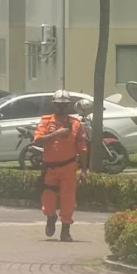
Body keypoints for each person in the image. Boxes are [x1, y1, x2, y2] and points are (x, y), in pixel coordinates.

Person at [33, 90, 88, 242]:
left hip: (69, 167)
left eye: (65, 104)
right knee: (48, 198)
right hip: (50, 168)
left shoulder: (76, 124)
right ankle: (51, 217)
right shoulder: (45, 121)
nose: (62, 107)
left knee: (68, 199)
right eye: (59, 104)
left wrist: (84, 169)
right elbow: (37, 141)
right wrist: (57, 134)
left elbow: (82, 148)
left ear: (68, 105)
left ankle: (65, 230)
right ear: (54, 105)